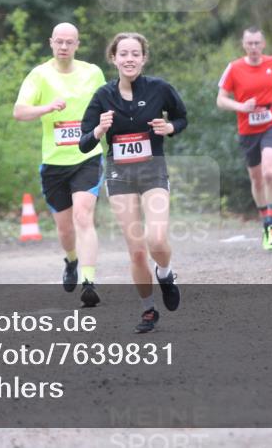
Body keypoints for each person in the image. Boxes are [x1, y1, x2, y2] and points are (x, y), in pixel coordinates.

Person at [79, 32, 187, 334]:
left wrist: (170, 128)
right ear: (113, 58)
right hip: (120, 175)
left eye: (134, 54)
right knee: (137, 249)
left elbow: (181, 117)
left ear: (143, 58)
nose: (129, 59)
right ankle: (148, 309)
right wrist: (99, 130)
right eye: (123, 53)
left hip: (153, 171)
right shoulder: (103, 96)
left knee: (156, 239)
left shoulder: (159, 89)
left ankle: (165, 274)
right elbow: (84, 143)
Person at [13, 23, 106, 308]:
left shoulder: (93, 72)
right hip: (54, 163)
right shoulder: (39, 75)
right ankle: (72, 260)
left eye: (70, 42)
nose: (64, 46)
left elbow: (109, 104)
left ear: (77, 44)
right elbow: (19, 112)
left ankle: (89, 281)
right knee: (66, 230)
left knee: (83, 217)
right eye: (59, 42)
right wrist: (47, 108)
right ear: (51, 43)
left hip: (87, 157)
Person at [217, 27, 272, 251]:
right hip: (247, 129)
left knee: (269, 172)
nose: (254, 48)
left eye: (257, 43)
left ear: (264, 43)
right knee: (257, 179)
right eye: (249, 43)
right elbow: (220, 99)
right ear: (243, 44)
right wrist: (241, 106)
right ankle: (265, 221)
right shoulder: (234, 68)